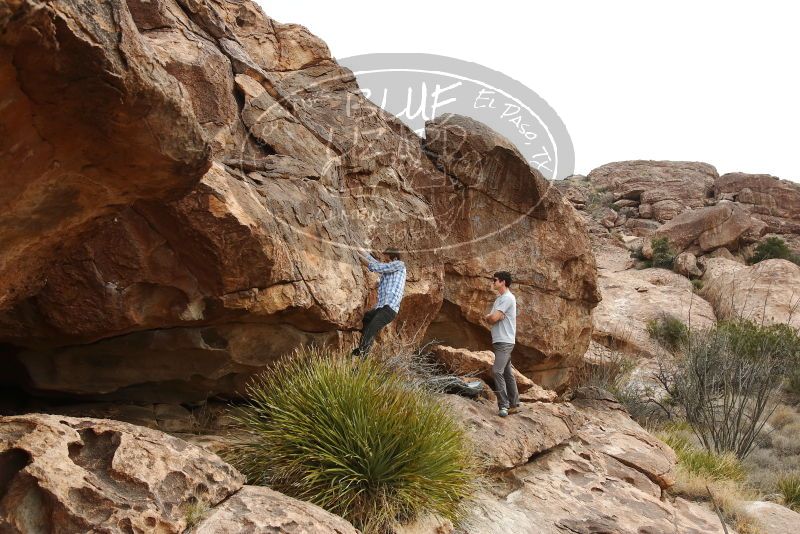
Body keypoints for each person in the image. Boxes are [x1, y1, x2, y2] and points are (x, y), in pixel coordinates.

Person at [352, 247, 406, 356]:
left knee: (370, 330)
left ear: (394, 258)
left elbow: (377, 266)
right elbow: (375, 262)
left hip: (389, 309)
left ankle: (361, 355)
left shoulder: (399, 265)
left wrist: (358, 256)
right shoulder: (389, 269)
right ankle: (364, 350)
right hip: (381, 309)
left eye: (386, 260)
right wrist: (358, 249)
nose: (385, 262)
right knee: (366, 319)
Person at [483, 271, 519, 417]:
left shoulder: (508, 298)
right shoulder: (499, 299)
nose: (493, 282)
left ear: (503, 282)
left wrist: (493, 317)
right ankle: (514, 404)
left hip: (505, 341)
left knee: (497, 371)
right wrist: (493, 317)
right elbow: (490, 317)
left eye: (495, 280)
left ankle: (503, 405)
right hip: (499, 340)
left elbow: (492, 318)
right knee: (507, 373)